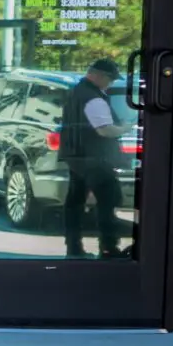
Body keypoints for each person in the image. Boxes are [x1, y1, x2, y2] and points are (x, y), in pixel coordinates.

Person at [61, 56, 130, 259]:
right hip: (96, 158)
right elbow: (104, 130)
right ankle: (109, 247)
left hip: (77, 156)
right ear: (97, 75)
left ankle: (73, 248)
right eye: (110, 79)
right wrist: (124, 128)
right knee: (108, 200)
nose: (111, 83)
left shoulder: (75, 93)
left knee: (74, 203)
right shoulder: (93, 98)